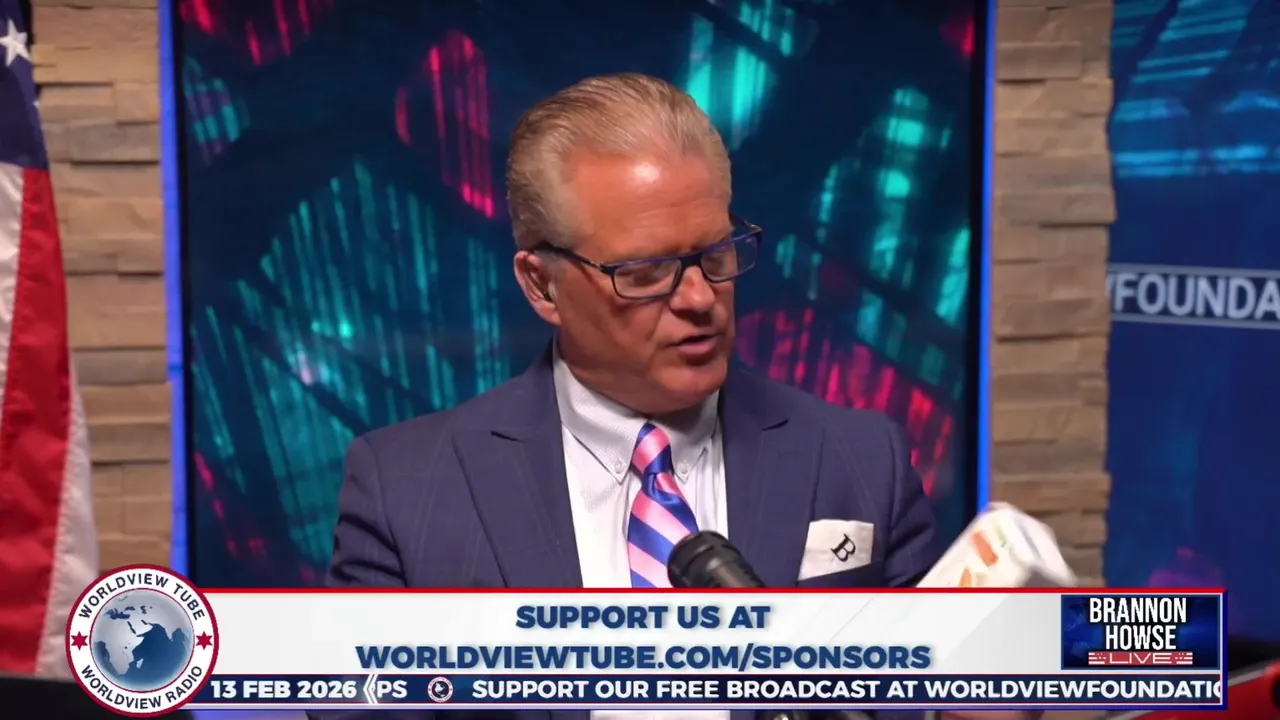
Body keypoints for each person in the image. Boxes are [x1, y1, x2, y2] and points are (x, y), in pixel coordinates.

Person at [316, 73, 1031, 720]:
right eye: (646, 271)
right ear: (541, 285)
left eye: (715, 254)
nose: (699, 299)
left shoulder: (860, 458)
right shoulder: (405, 489)